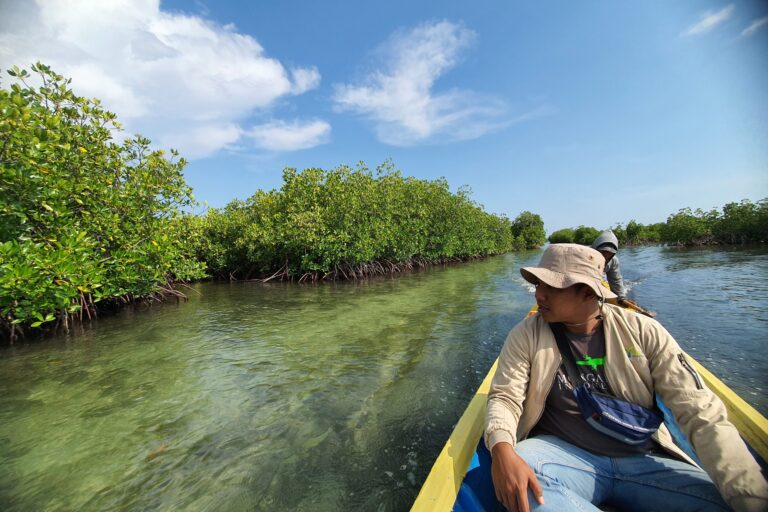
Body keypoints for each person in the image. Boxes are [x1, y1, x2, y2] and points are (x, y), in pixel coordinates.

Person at [485, 244, 767, 512]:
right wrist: (502, 449)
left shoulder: (645, 331)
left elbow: (700, 413)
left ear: (588, 293)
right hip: (562, 455)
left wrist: (750, 498)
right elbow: (506, 397)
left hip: (642, 459)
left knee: (724, 504)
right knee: (519, 478)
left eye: (551, 287)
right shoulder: (526, 334)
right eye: (538, 285)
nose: (539, 295)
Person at [591, 230, 626, 302]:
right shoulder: (585, 257)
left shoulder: (613, 261)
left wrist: (621, 298)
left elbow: (616, 280)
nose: (605, 259)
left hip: (600, 279)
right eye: (603, 253)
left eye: (609, 255)